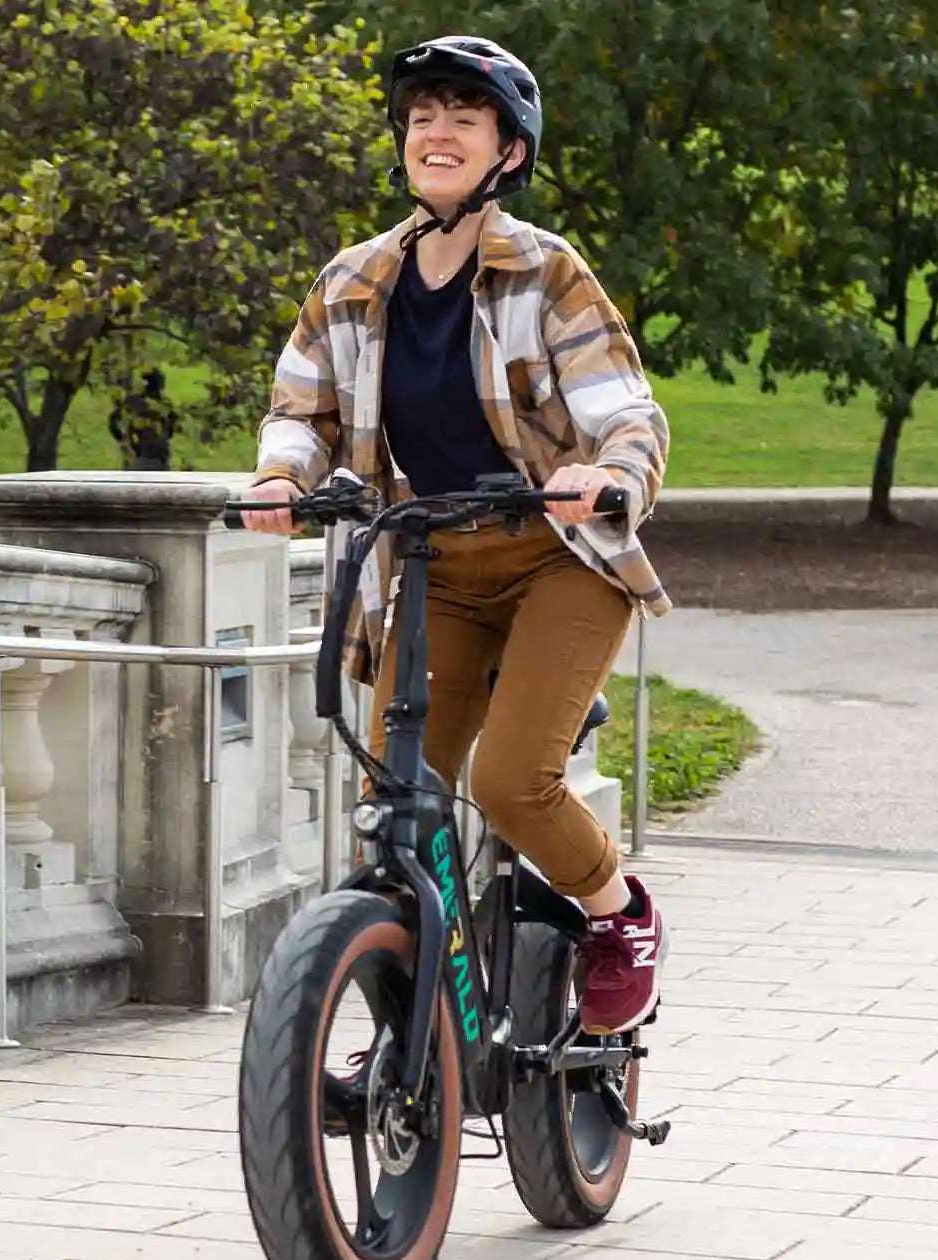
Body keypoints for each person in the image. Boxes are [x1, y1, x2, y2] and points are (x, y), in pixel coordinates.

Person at [239, 36, 671, 1035]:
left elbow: (627, 412)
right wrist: (278, 475)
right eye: (423, 116)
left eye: (463, 120)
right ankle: (423, 1027)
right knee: (394, 801)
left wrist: (606, 473)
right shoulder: (354, 278)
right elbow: (299, 408)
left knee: (510, 779)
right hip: (431, 561)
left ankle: (619, 913)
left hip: (557, 556)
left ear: (506, 153)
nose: (437, 133)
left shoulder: (546, 272)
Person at [108, 368, 179, 469]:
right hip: (156, 457)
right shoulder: (165, 405)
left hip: (141, 456)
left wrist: (122, 439)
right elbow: (171, 427)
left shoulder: (134, 402)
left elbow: (113, 421)